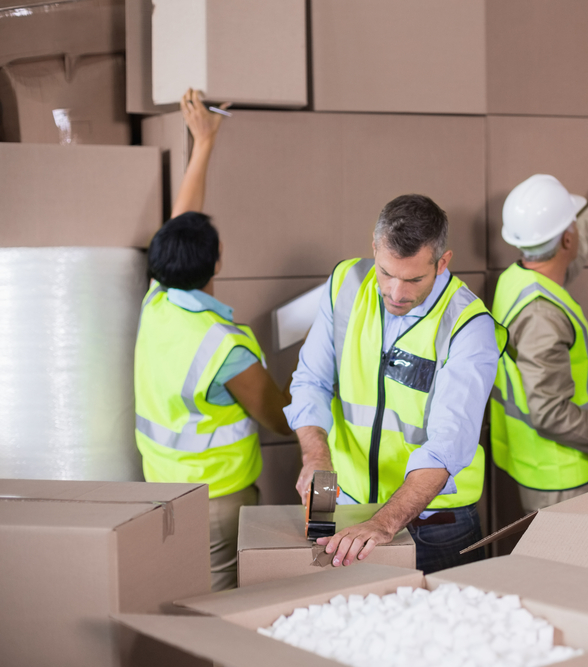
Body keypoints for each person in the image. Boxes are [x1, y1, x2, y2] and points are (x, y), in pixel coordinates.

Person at [286, 194, 507, 573]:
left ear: (443, 262)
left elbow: (445, 447)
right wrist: (316, 457)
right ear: (374, 248)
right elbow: (311, 381)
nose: (396, 293)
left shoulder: (470, 327)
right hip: (352, 511)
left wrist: (384, 523)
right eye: (386, 272)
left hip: (437, 527)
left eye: (414, 279)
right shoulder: (345, 283)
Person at [134, 89, 293, 591]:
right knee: (219, 605)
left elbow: (181, 221)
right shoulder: (225, 349)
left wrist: (203, 142)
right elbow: (282, 420)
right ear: (218, 258)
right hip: (217, 501)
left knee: (176, 595)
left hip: (161, 492)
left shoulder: (158, 303)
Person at [490, 168, 588, 512]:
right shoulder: (541, 317)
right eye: (572, 225)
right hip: (564, 479)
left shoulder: (515, 280)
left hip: (540, 466)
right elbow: (549, 412)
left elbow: (571, 252)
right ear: (565, 240)